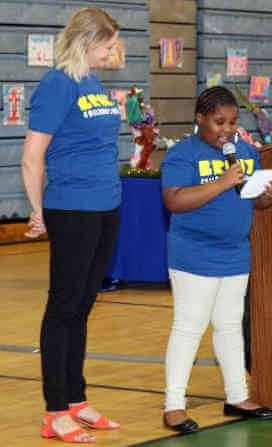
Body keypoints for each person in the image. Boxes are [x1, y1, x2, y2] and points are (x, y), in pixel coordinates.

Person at [21, 7, 123, 443]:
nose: (114, 50)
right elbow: (32, 156)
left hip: (107, 205)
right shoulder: (56, 86)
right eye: (108, 43)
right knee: (63, 308)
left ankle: (77, 400)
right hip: (72, 208)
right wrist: (38, 210)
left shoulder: (94, 82)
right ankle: (54, 410)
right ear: (86, 42)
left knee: (83, 307)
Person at [160, 86, 272, 433]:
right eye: (219, 122)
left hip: (235, 252)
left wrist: (267, 196)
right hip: (193, 253)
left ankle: (237, 395)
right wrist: (222, 181)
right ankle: (173, 405)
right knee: (189, 327)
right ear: (200, 119)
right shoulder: (182, 154)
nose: (227, 130)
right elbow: (174, 200)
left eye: (232, 122)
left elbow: (252, 199)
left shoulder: (245, 151)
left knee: (230, 326)